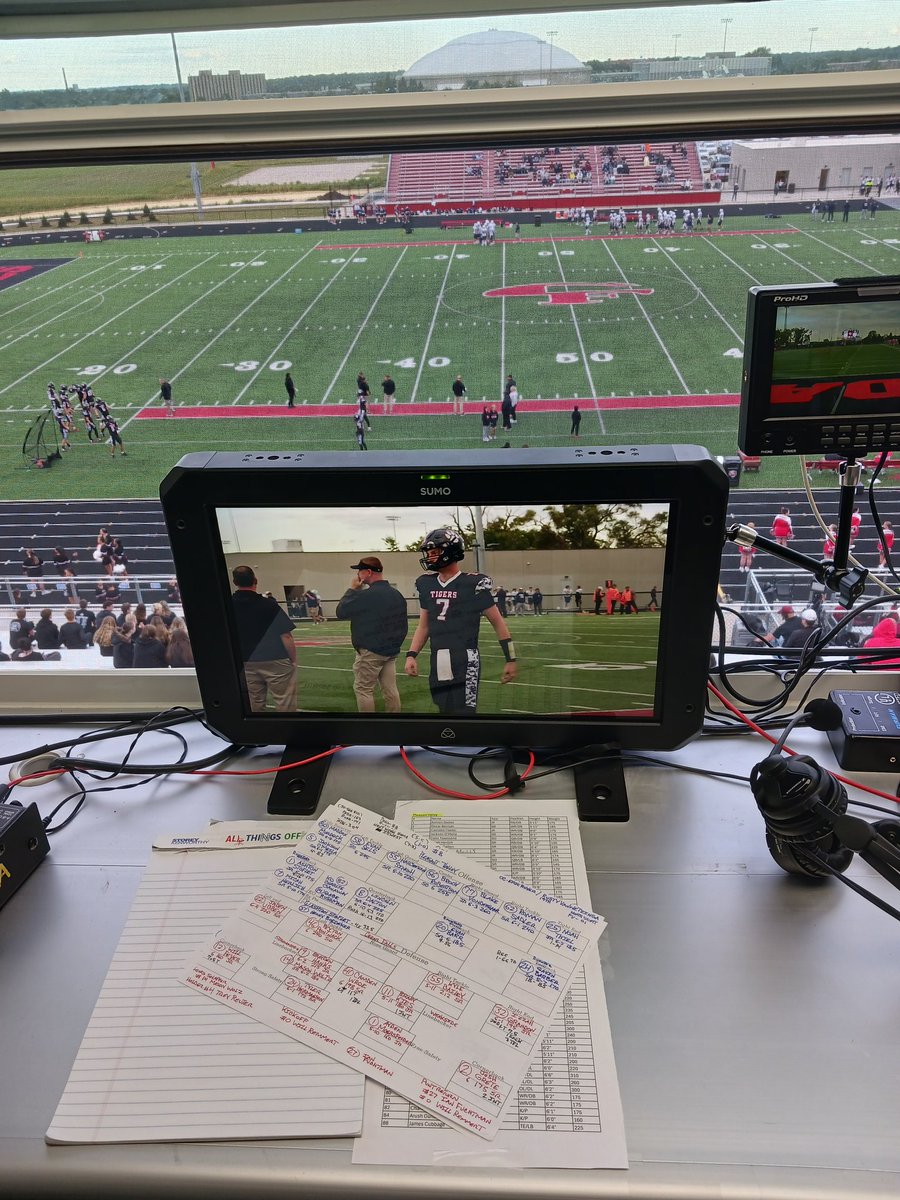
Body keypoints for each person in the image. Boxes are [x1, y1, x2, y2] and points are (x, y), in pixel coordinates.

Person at [404, 528, 517, 713]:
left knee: (465, 712)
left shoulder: (472, 584)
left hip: (465, 657)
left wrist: (510, 659)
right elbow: (424, 626)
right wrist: (411, 655)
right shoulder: (426, 583)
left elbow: (498, 622)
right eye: (429, 553)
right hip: (438, 656)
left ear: (450, 551)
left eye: (435, 552)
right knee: (444, 709)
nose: (430, 557)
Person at [335, 556, 409, 713]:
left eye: (360, 571)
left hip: (371, 651)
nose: (358, 576)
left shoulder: (365, 595)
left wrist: (352, 590)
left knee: (363, 689)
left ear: (368, 572)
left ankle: (369, 727)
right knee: (390, 689)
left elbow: (341, 612)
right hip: (391, 650)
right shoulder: (396, 594)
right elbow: (403, 624)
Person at [231, 565, 297, 712]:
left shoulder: (227, 606)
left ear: (235, 582)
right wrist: (293, 660)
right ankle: (289, 732)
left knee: (254, 704)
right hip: (275, 659)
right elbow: (286, 635)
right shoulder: (269, 605)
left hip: (244, 660)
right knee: (285, 702)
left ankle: (260, 733)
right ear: (255, 580)